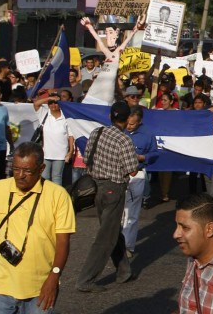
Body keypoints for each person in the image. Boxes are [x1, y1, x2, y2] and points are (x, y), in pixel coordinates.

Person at [0, 142, 75, 313]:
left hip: (40, 287)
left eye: (27, 171)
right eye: (16, 169)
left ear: (42, 168)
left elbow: (63, 243)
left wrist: (54, 277)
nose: (20, 175)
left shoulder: (58, 196)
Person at [76, 101, 138, 292]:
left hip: (96, 187)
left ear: (111, 116)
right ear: (127, 120)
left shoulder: (97, 133)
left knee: (111, 230)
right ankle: (86, 279)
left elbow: (86, 159)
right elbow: (132, 170)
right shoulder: (124, 140)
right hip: (114, 188)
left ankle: (123, 271)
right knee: (106, 237)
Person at [122, 106, 158, 257]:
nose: (129, 126)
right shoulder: (118, 131)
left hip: (137, 175)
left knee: (132, 213)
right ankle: (115, 242)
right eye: (127, 123)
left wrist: (142, 157)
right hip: (117, 175)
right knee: (117, 212)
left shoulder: (148, 134)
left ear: (139, 122)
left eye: (132, 124)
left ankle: (127, 247)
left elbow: (155, 153)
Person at [33, 93, 74, 186]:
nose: (53, 105)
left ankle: (57, 198)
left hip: (61, 154)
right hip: (46, 153)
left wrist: (70, 151)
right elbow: (36, 104)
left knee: (57, 177)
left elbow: (71, 136)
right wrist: (49, 98)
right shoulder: (44, 113)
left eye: (56, 103)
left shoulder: (66, 117)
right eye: (50, 103)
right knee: (44, 176)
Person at [0, 84, 14, 183]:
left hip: (1, 149)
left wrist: (11, 143)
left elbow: (6, 127)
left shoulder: (4, 109)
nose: (1, 96)